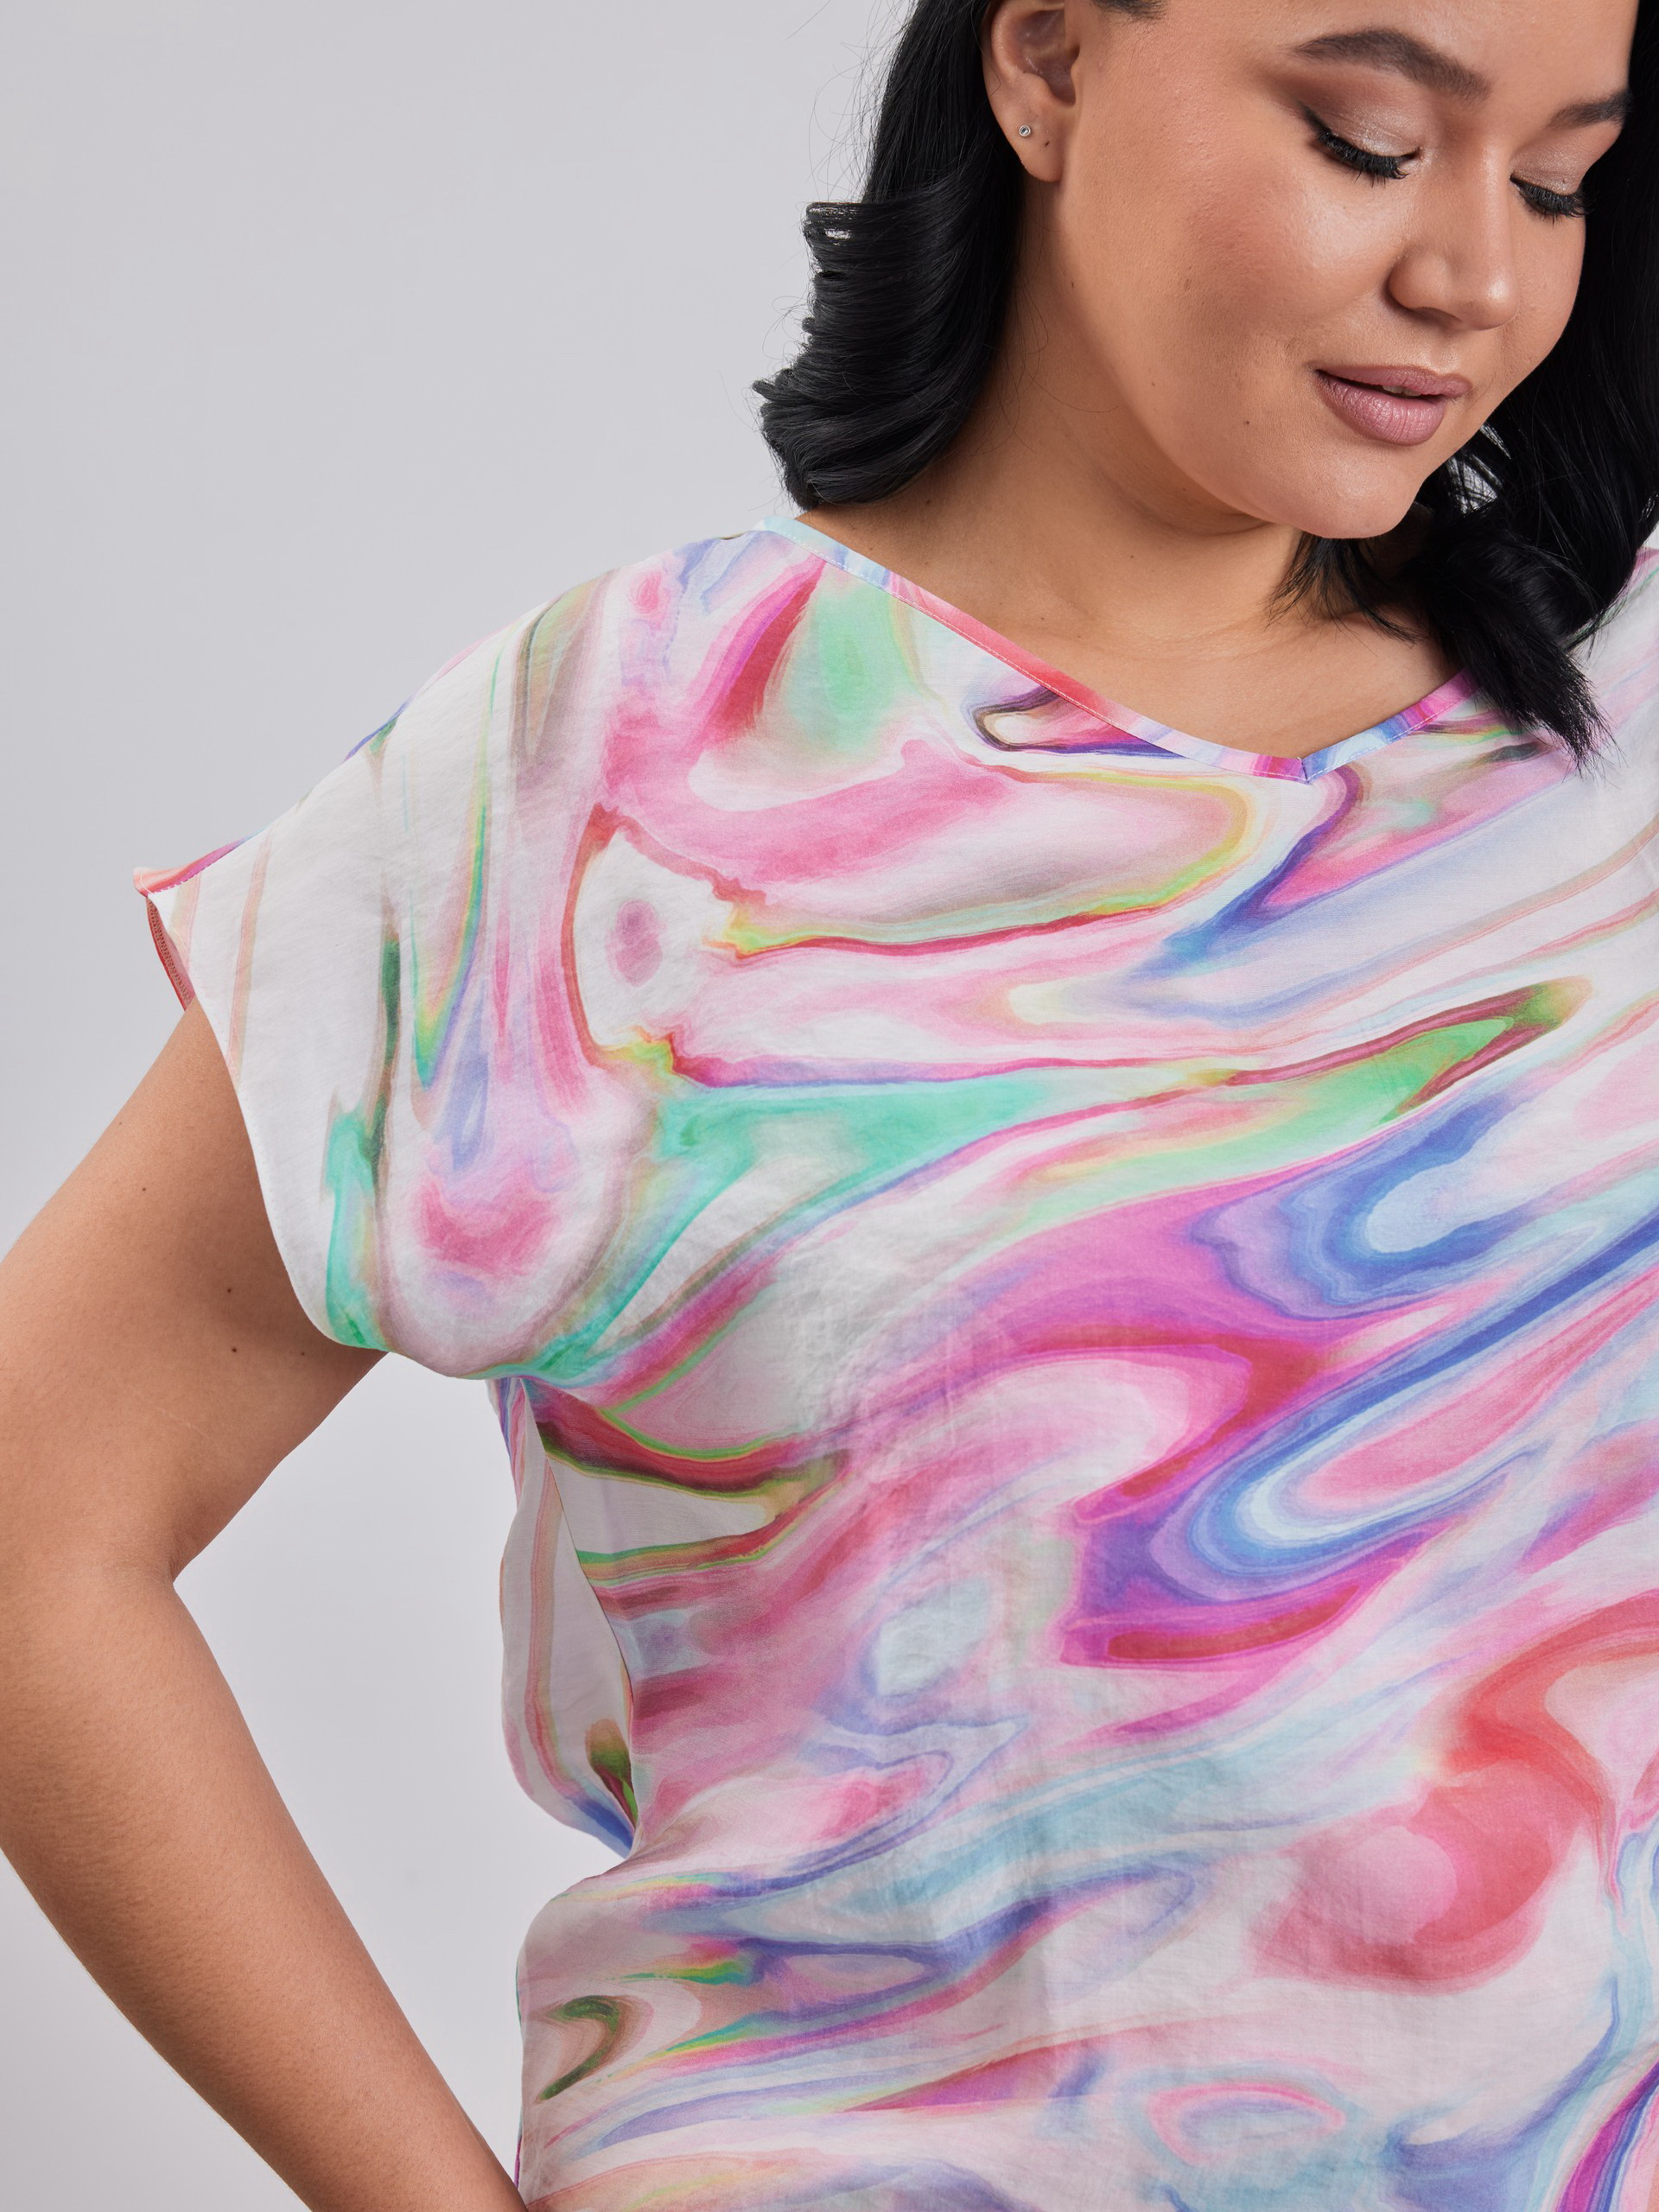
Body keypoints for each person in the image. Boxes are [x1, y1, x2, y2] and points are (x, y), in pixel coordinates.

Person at [2, 0, 1656, 2205]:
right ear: (1045, 63)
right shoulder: (628, 775)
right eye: (1368, 139)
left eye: (1555, 179)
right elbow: (33, 1528)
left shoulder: (1606, 762)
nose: (1477, 272)